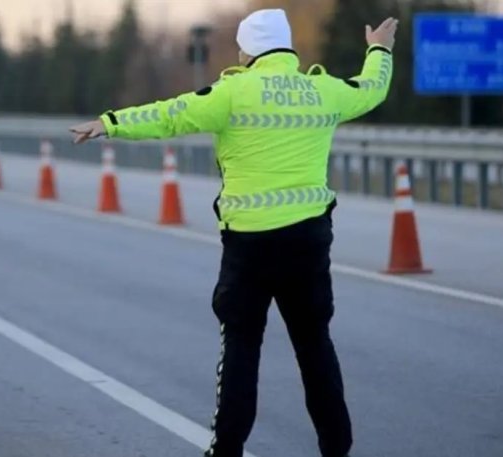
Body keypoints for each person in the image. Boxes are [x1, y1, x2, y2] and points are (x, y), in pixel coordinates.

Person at [70, 9, 397, 457]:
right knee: (315, 347)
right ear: (285, 46)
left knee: (243, 349)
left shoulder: (231, 92)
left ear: (248, 50)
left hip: (250, 247)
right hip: (308, 243)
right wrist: (378, 49)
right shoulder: (323, 90)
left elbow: (170, 115)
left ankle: (227, 451)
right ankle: (337, 449)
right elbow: (371, 89)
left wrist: (109, 123)